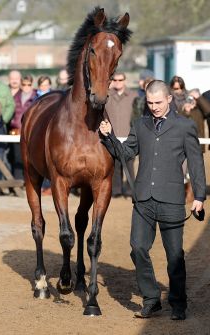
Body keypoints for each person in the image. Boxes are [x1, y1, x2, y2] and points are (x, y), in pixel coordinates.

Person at [99, 80, 206, 321]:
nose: (154, 107)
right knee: (137, 248)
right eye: (149, 102)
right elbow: (126, 153)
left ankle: (178, 303)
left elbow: (196, 163)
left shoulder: (185, 126)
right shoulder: (140, 124)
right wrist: (109, 137)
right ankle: (151, 299)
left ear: (169, 99)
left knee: (175, 255)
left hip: (172, 199)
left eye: (158, 102)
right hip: (143, 199)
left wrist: (199, 196)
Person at [105, 71, 137, 197]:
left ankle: (130, 190)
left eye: (120, 80)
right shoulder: (107, 95)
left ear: (125, 81)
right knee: (115, 165)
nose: (118, 82)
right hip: (112, 136)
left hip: (129, 136)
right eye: (115, 80)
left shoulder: (134, 95)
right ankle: (116, 190)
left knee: (129, 165)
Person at [9, 74, 36, 179]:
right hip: (15, 130)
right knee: (16, 157)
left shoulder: (36, 97)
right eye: (24, 84)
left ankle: (30, 181)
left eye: (29, 84)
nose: (26, 87)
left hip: (31, 132)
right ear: (21, 85)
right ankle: (18, 181)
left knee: (30, 159)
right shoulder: (15, 97)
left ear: (32, 85)